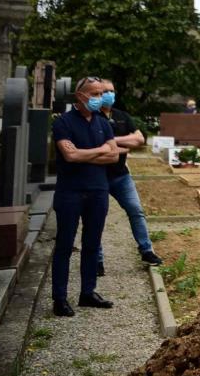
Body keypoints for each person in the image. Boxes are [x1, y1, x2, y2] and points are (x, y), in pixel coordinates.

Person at [50, 76, 119, 316]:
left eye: (102, 94)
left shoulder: (103, 122)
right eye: (96, 94)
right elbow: (71, 156)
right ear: (81, 96)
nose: (100, 98)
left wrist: (87, 153)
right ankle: (59, 298)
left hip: (98, 190)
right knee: (65, 246)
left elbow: (114, 157)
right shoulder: (63, 123)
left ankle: (87, 293)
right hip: (70, 192)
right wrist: (100, 150)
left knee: (92, 243)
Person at [95, 80, 162, 276]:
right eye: (104, 91)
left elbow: (140, 139)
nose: (109, 94)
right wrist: (124, 144)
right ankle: (96, 259)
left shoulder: (121, 116)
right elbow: (95, 142)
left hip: (121, 176)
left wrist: (111, 141)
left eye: (111, 91)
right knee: (97, 218)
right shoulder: (92, 117)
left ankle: (146, 250)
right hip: (98, 176)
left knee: (136, 210)